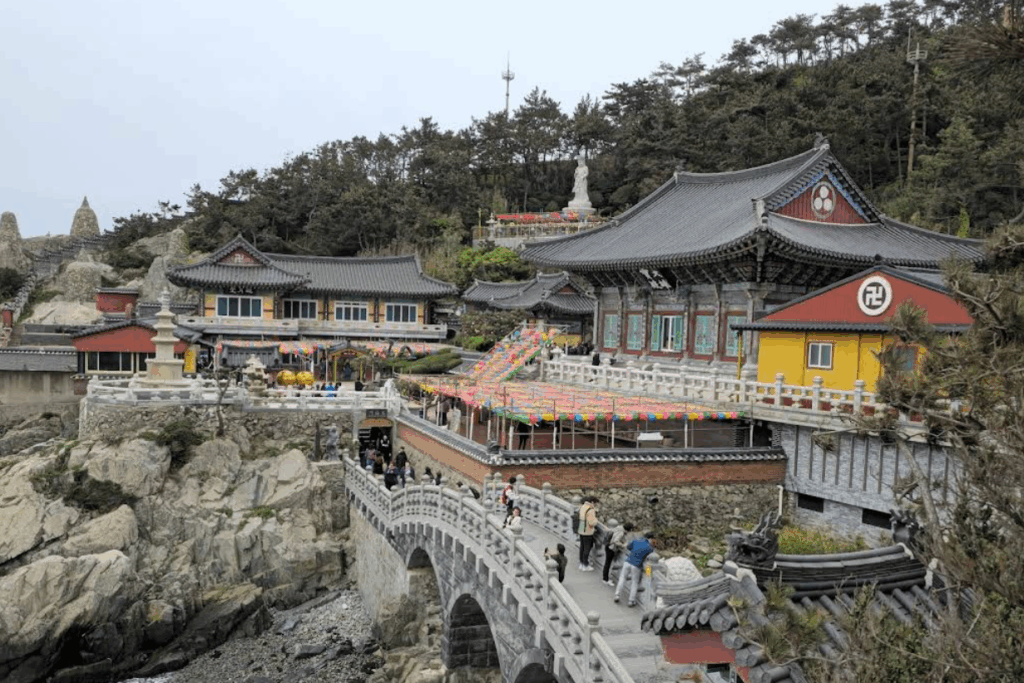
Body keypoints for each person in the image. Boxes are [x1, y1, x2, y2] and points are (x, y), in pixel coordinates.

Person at [614, 531, 657, 607]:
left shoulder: (636, 540)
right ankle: (631, 600)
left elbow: (628, 547)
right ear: (651, 538)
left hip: (628, 561)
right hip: (636, 565)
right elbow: (650, 558)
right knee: (635, 582)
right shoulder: (649, 548)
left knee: (622, 578)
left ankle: (617, 595)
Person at [602, 520, 634, 586]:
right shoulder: (621, 532)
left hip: (608, 546)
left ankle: (605, 578)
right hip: (611, 548)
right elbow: (615, 541)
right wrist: (623, 545)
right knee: (608, 564)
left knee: (607, 563)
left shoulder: (618, 527)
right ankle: (606, 579)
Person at [577, 497, 599, 572]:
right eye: (595, 503)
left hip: (581, 529)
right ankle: (585, 564)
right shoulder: (591, 510)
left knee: (582, 547)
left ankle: (581, 563)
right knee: (587, 547)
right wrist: (596, 520)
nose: (595, 505)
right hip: (588, 531)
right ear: (592, 502)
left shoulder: (583, 507)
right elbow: (592, 522)